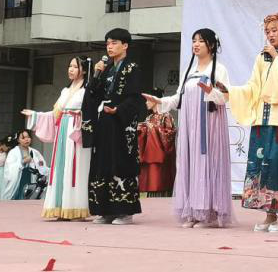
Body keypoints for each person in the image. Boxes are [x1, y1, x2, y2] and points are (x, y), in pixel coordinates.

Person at [227, 13, 278, 232]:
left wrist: (277, 58)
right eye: (267, 31)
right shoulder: (261, 57)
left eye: (275, 30)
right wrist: (231, 91)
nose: (271, 35)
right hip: (262, 120)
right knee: (264, 166)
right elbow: (253, 87)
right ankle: (269, 213)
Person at [144, 28, 233, 228]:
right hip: (190, 125)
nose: (196, 44)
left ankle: (209, 214)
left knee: (206, 162)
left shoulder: (219, 69)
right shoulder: (189, 71)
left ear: (211, 45)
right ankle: (193, 211)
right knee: (189, 163)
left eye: (200, 41)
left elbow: (225, 97)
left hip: (209, 124)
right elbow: (179, 98)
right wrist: (159, 101)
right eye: (194, 41)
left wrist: (211, 92)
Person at [82, 28, 146, 225]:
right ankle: (105, 210)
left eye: (114, 43)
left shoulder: (132, 68)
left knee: (121, 162)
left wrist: (118, 109)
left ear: (125, 45)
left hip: (122, 124)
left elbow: (135, 98)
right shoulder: (106, 69)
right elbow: (92, 95)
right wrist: (96, 75)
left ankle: (125, 211)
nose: (110, 47)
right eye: (108, 43)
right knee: (102, 162)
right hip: (105, 123)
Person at [22, 56, 93, 219]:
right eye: (70, 66)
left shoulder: (87, 90)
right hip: (63, 130)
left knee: (75, 168)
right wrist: (35, 115)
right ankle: (60, 207)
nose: (70, 69)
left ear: (84, 70)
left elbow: (92, 112)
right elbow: (55, 114)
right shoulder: (65, 91)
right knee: (61, 166)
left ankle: (76, 208)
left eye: (75, 66)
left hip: (76, 131)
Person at [137, 87, 177, 196]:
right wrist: (142, 129)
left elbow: (170, 134)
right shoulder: (149, 117)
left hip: (161, 157)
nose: (146, 103)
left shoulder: (166, 115)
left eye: (148, 100)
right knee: (150, 180)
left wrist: (152, 128)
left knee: (159, 181)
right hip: (149, 154)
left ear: (155, 100)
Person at [3, 129, 48, 200]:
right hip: (18, 180)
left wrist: (38, 164)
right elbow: (9, 167)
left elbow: (42, 165)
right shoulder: (13, 152)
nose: (26, 139)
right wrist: (23, 161)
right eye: (23, 138)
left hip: (31, 178)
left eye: (28, 137)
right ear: (18, 140)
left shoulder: (35, 152)